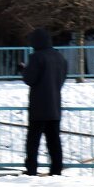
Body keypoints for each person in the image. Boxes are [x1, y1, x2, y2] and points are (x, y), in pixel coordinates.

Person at [18, 27, 68, 176]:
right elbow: (62, 78)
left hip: (38, 107)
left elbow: (30, 79)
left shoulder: (36, 57)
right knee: (54, 141)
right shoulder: (60, 57)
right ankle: (56, 169)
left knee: (33, 141)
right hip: (54, 105)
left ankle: (31, 169)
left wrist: (22, 69)